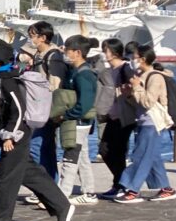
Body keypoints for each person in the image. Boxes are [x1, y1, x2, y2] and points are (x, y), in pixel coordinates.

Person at [0, 40, 73, 221]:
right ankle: (62, 207)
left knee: (4, 180)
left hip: (16, 135)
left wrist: (10, 135)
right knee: (30, 174)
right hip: (13, 134)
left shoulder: (7, 80)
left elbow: (18, 110)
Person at [115, 45, 176, 203]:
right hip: (143, 121)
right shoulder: (140, 76)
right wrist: (129, 94)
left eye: (134, 57)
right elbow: (138, 103)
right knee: (152, 156)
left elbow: (148, 102)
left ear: (143, 59)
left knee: (141, 155)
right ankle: (166, 188)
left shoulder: (155, 77)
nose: (132, 60)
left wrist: (136, 87)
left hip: (152, 122)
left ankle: (132, 189)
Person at [56, 36, 99, 205]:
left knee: (70, 157)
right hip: (78, 122)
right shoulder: (76, 71)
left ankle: (62, 196)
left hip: (78, 123)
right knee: (82, 157)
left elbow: (84, 104)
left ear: (78, 52)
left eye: (67, 50)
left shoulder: (84, 75)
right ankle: (89, 192)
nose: (65, 53)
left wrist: (66, 115)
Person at [26, 21, 67, 181]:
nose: (30, 39)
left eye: (32, 36)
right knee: (45, 149)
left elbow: (55, 85)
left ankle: (45, 184)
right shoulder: (39, 55)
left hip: (46, 110)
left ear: (43, 37)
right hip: (38, 108)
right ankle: (49, 184)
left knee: (37, 148)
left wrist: (54, 111)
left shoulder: (53, 57)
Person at [96, 38, 136, 196]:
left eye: (106, 50)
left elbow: (135, 86)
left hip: (124, 117)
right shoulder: (108, 70)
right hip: (111, 116)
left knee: (117, 151)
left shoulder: (125, 68)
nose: (104, 53)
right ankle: (120, 182)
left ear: (114, 52)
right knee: (104, 150)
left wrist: (128, 90)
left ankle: (121, 184)